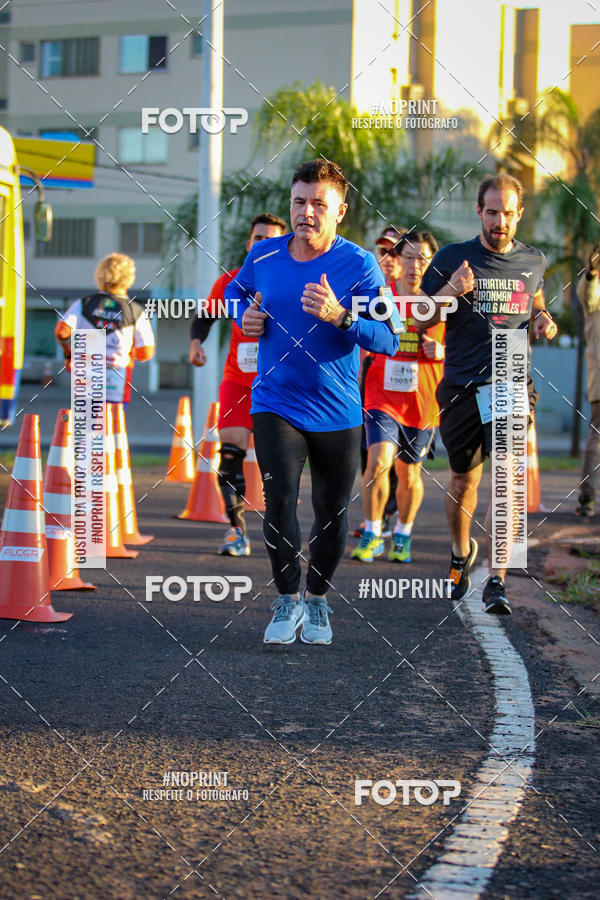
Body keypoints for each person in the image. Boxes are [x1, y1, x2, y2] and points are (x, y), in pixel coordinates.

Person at [226, 159, 399, 645]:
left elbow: (387, 339)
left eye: (319, 204)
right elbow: (235, 294)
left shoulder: (359, 264)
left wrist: (342, 316)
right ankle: (286, 599)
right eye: (299, 202)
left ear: (340, 211)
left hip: (337, 410)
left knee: (331, 511)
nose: (307, 212)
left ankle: (317, 601)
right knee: (278, 501)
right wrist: (245, 318)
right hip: (275, 401)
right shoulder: (264, 257)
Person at [419, 173, 557, 615]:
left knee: (507, 479)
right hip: (461, 383)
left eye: (508, 213)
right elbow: (420, 319)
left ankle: (498, 579)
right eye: (492, 211)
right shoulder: (453, 258)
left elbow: (534, 301)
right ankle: (461, 556)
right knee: (464, 478)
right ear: (479, 211)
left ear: (520, 215)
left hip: (511, 376)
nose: (500, 220)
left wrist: (542, 320)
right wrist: (450, 291)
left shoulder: (534, 261)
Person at [189, 213, 287, 555]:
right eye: (258, 238)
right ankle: (236, 532)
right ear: (249, 244)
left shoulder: (290, 283)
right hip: (237, 383)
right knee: (229, 454)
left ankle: (281, 535)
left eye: (271, 239)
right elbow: (206, 315)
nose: (263, 244)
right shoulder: (230, 281)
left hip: (281, 386)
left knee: (278, 465)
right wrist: (196, 343)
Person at [352, 229, 444, 563]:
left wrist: (442, 351)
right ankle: (373, 532)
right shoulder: (381, 298)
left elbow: (463, 348)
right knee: (378, 461)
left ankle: (403, 533)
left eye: (422, 259)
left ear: (431, 264)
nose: (414, 265)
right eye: (408, 257)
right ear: (398, 260)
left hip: (422, 402)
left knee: (409, 473)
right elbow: (359, 334)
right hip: (381, 396)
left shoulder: (441, 302)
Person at [353, 225, 406, 540]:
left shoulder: (414, 292)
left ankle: (392, 511)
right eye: (383, 252)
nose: (387, 258)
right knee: (371, 451)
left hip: (407, 385)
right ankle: (379, 514)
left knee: (400, 457)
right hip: (370, 379)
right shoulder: (371, 287)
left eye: (395, 253)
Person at [55, 252, 155, 403]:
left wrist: (69, 354)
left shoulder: (84, 304)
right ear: (129, 278)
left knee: (87, 425)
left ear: (100, 275)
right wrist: (131, 352)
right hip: (117, 385)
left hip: (86, 384)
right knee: (115, 425)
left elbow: (61, 332)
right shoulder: (135, 311)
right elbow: (146, 353)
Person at [575, 244, 600, 517]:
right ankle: (587, 498)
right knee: (598, 441)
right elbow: (588, 293)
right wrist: (592, 271)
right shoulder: (594, 295)